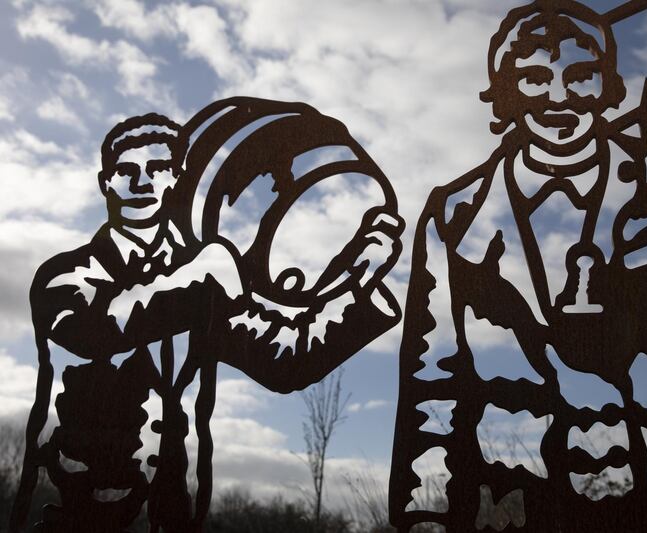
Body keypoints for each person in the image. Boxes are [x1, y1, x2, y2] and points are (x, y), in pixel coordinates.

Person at [389, 1, 647, 531]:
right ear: (503, 91)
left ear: (608, 86)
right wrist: (425, 512)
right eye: (534, 79)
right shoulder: (455, 215)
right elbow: (432, 375)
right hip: (514, 502)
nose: (558, 98)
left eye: (581, 77)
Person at [12, 105, 403, 532]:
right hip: (81, 500)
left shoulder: (204, 276)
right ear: (107, 183)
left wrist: (357, 279)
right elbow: (98, 330)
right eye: (127, 172)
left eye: (158, 169)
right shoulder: (69, 273)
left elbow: (284, 360)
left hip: (174, 506)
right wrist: (199, 274)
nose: (142, 182)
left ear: (177, 179)